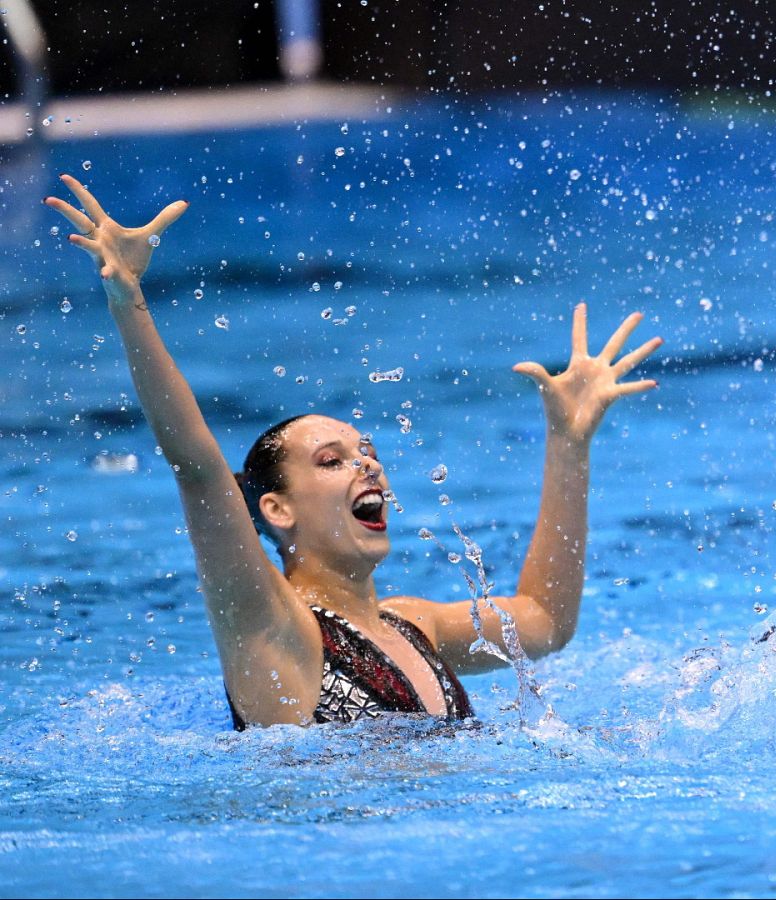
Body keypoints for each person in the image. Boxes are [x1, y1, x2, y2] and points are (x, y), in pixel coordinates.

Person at [45, 175, 663, 726]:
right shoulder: (276, 630)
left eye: (366, 451)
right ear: (277, 510)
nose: (366, 463)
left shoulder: (413, 625)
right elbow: (199, 470)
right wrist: (129, 300)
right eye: (330, 459)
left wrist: (569, 445)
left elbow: (544, 620)